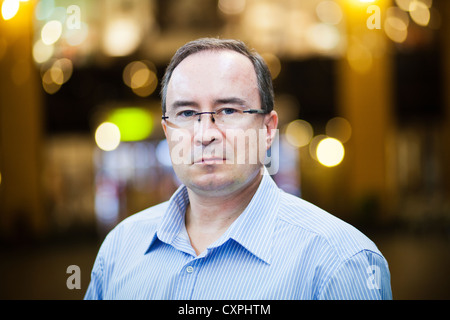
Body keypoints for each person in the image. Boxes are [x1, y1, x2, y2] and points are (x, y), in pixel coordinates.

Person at [84, 38, 392, 300]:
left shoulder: (340, 262)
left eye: (229, 110)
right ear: (168, 131)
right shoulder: (119, 249)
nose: (206, 134)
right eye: (187, 112)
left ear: (268, 129)